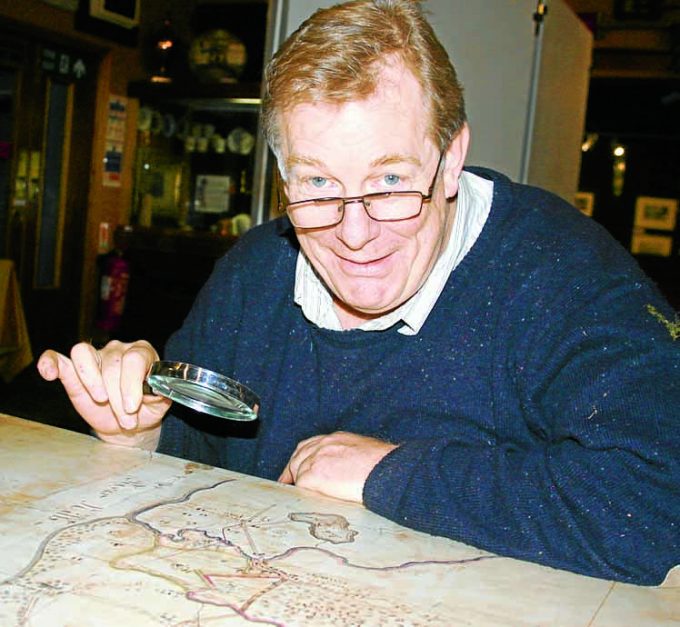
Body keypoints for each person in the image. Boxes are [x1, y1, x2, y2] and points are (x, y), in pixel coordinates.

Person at [38, 0, 678, 586]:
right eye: (317, 185)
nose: (354, 233)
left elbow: (656, 505)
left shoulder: (561, 272)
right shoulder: (255, 271)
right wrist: (137, 433)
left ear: (451, 158)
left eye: (390, 180)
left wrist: (384, 474)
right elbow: (203, 461)